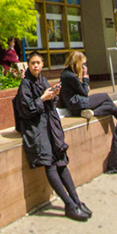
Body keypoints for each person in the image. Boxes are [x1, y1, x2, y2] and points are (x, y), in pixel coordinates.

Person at [13, 51, 92, 222]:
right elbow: (27, 110)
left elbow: (49, 103)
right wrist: (42, 98)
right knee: (49, 164)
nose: (35, 65)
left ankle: (76, 201)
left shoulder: (43, 80)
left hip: (50, 124)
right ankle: (69, 205)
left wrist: (52, 96)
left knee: (61, 162)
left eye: (38, 63)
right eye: (32, 63)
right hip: (36, 128)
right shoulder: (25, 84)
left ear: (42, 65)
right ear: (29, 65)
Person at [60, 51, 117, 129]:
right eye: (82, 64)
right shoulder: (71, 76)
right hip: (76, 104)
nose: (83, 66)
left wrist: (84, 85)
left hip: (75, 103)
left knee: (110, 106)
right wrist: (85, 78)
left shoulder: (66, 73)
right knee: (105, 96)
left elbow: (80, 90)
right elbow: (84, 92)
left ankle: (93, 113)